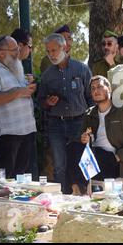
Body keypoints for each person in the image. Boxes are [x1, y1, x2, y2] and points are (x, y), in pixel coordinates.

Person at [66, 75, 123, 195]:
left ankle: (82, 191)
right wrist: (83, 138)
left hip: (116, 162)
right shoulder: (90, 114)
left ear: (109, 89)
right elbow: (83, 136)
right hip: (95, 158)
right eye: (93, 88)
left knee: (88, 155)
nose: (96, 91)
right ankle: (77, 189)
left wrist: (119, 156)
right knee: (72, 147)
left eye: (100, 86)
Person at [38, 33, 93, 193]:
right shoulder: (47, 75)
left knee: (83, 162)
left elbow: (91, 98)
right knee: (59, 166)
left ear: (65, 48)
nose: (51, 55)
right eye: (48, 51)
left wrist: (90, 124)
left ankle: (86, 196)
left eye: (54, 50)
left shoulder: (82, 69)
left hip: (80, 123)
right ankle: (62, 199)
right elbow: (41, 102)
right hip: (57, 124)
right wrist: (48, 103)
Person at [0, 36, 37, 179]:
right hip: (7, 134)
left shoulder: (13, 66)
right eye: (14, 49)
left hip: (26, 130)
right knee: (6, 177)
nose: (18, 52)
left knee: (21, 178)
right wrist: (19, 92)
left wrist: (28, 88)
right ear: (2, 53)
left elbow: (19, 92)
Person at [11, 28, 39, 179]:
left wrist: (26, 82)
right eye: (30, 46)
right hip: (11, 130)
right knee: (10, 174)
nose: (31, 50)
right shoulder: (3, 65)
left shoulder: (19, 65)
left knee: (21, 174)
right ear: (20, 46)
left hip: (25, 128)